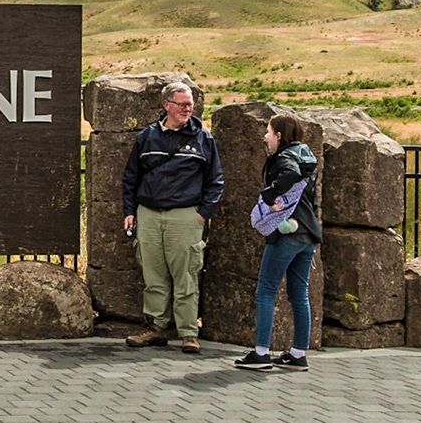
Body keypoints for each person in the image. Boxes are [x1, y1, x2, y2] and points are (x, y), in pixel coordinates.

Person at [122, 82, 225, 354]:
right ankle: (156, 328)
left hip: (185, 215)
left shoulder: (204, 139)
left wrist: (203, 215)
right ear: (166, 105)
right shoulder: (147, 138)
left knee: (186, 275)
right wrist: (129, 212)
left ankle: (188, 332)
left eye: (190, 104)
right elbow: (131, 177)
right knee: (153, 274)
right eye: (181, 104)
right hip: (149, 215)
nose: (187, 109)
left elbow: (216, 180)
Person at [234, 114, 322, 372]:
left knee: (266, 290)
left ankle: (261, 352)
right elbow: (311, 198)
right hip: (308, 233)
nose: (265, 136)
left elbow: (290, 174)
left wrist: (269, 194)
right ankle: (297, 354)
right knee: (299, 294)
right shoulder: (308, 156)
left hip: (286, 233)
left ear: (280, 135)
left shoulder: (285, 157)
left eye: (268, 131)